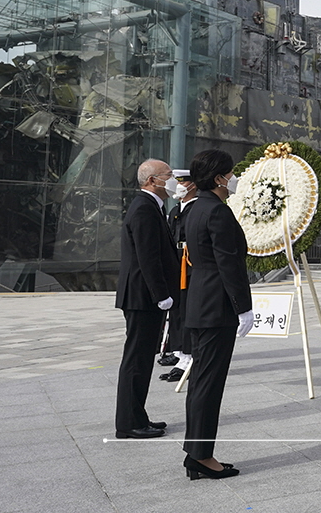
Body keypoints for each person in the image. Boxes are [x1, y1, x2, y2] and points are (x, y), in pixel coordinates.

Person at [182, 149, 253, 480]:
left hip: (199, 303)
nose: (234, 177)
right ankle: (201, 455)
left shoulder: (196, 208)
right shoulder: (219, 213)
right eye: (231, 172)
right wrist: (245, 307)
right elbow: (230, 264)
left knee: (200, 382)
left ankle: (196, 452)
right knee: (208, 384)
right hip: (216, 307)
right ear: (219, 178)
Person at [115, 159, 180, 439]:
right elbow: (147, 257)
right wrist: (161, 295)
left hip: (145, 296)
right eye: (169, 175)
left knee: (142, 360)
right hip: (143, 297)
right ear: (153, 180)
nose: (174, 180)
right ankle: (129, 423)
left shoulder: (152, 206)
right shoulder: (144, 208)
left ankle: (137, 416)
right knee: (136, 360)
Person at [160, 170, 198, 382]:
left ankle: (187, 356)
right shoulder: (176, 209)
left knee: (186, 310)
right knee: (176, 310)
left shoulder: (195, 208)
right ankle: (178, 353)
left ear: (192, 185)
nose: (179, 185)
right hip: (175, 262)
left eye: (182, 182)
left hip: (189, 263)